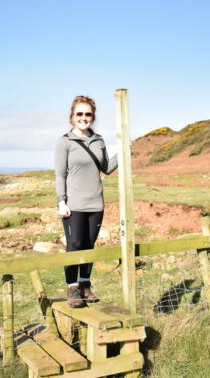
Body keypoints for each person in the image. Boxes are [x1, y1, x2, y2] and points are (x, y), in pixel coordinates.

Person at [55, 95, 118, 308]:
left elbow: (107, 168)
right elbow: (59, 175)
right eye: (79, 114)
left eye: (88, 114)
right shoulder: (65, 141)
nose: (84, 117)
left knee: (89, 246)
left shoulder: (99, 140)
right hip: (74, 205)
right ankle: (72, 288)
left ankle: (85, 285)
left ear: (93, 116)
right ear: (72, 117)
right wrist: (61, 202)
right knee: (74, 246)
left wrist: (124, 151)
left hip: (96, 205)